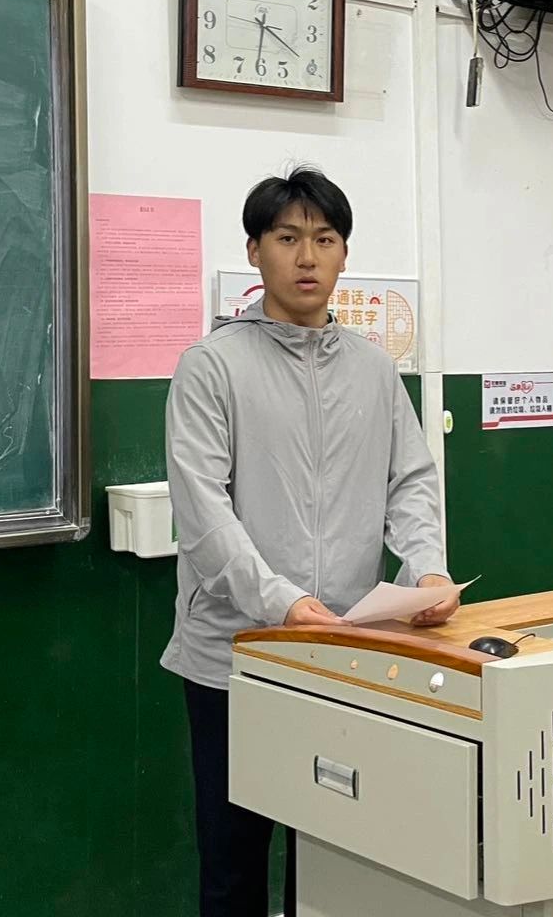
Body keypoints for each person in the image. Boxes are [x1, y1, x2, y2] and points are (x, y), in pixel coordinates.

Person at [162, 166, 457, 917]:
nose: (306, 257)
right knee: (233, 866)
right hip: (237, 657)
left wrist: (427, 571)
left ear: (344, 255)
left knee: (334, 860)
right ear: (254, 250)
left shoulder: (374, 370)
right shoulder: (211, 366)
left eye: (325, 240)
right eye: (287, 238)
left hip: (345, 652)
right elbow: (203, 514)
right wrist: (282, 602)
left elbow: (411, 482)